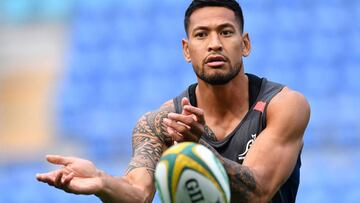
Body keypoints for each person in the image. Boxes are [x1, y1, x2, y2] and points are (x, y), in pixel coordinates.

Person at [36, 0, 310, 202]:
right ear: (186, 50)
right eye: (201, 35)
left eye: (226, 32)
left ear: (245, 44)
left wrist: (198, 149)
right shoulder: (160, 122)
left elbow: (259, 191)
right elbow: (138, 194)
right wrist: (100, 181)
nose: (214, 43)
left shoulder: (283, 105)